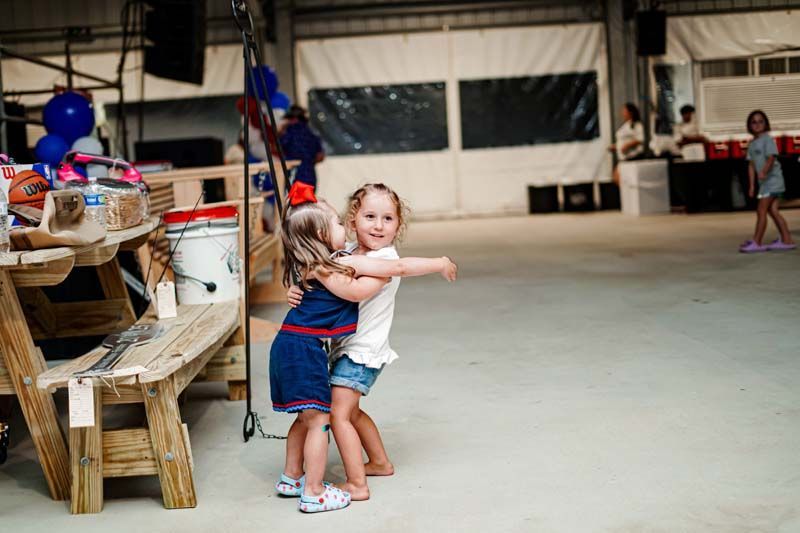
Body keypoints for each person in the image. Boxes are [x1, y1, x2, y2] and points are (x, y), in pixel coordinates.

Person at [272, 183, 457, 513]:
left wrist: (439, 262)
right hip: (344, 347)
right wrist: (297, 289)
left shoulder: (382, 259)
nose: (378, 225)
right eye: (370, 217)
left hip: (363, 350)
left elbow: (380, 278)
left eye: (388, 219)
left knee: (338, 415)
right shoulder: (348, 252)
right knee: (352, 412)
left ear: (398, 225)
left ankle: (357, 485)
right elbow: (320, 277)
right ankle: (380, 462)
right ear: (352, 221)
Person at [739, 110, 795, 253]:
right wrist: (752, 186)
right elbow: (751, 165)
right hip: (764, 183)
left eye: (760, 121)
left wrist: (764, 171)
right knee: (773, 211)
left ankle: (757, 242)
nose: (757, 124)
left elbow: (771, 157)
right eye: (754, 122)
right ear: (749, 125)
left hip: (773, 181)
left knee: (761, 210)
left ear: (766, 124)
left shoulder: (767, 140)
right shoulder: (752, 144)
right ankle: (787, 240)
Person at [279, 105, 325, 190]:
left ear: (293, 119)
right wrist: (308, 161)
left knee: (292, 197)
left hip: (294, 174)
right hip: (310, 175)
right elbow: (320, 156)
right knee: (307, 198)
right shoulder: (312, 133)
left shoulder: (289, 132)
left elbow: (276, 148)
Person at [609, 103, 645, 185]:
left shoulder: (637, 125)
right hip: (623, 158)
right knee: (617, 178)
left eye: (624, 111)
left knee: (623, 179)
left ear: (630, 113)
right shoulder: (625, 125)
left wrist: (627, 145)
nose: (623, 113)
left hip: (632, 157)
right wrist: (616, 146)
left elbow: (640, 139)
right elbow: (622, 141)